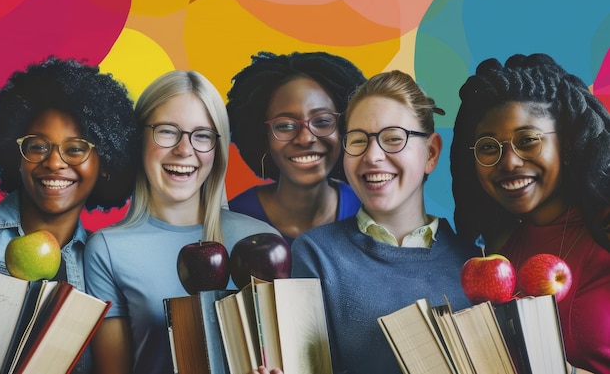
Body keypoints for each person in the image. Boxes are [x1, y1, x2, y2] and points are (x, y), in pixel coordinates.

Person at [84, 70, 281, 374]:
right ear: (139, 139)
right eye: (166, 131)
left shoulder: (260, 239)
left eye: (202, 135)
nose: (184, 149)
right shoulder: (107, 250)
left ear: (217, 149)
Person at [289, 70, 478, 374]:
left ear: (431, 153)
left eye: (393, 139)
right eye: (358, 140)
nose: (373, 156)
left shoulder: (475, 261)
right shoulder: (316, 255)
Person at [450, 53, 610, 374]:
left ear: (567, 145)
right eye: (488, 147)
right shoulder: (498, 254)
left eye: (527, 141)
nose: (508, 162)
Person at [0, 56, 138, 374]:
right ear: (16, 156)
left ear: (105, 164)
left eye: (76, 149)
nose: (54, 163)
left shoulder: (107, 265)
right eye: (38, 146)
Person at [226, 51, 366, 245]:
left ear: (345, 128)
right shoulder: (233, 219)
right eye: (285, 125)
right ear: (263, 136)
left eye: (323, 121)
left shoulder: (369, 211)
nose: (306, 138)